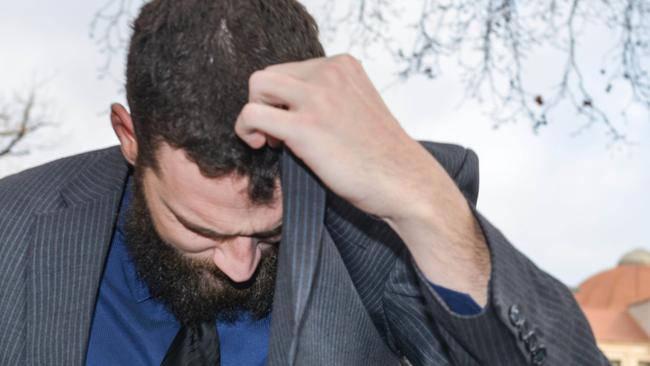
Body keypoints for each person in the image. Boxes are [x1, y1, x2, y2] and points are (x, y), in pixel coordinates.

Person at [0, 0, 608, 365]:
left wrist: (422, 199)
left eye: (271, 233)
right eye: (198, 225)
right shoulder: (14, 225)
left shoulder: (376, 230)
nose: (240, 264)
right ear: (129, 137)